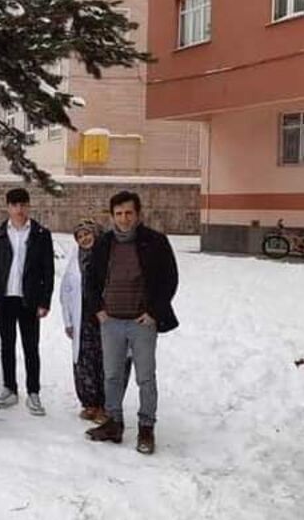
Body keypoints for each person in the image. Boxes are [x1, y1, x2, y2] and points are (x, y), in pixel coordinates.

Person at [86, 191, 179, 455]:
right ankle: (113, 422)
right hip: (111, 321)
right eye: (118, 214)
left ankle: (146, 427)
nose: (124, 219)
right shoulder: (104, 244)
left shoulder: (155, 242)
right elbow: (91, 281)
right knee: (112, 375)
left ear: (138, 214)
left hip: (142, 323)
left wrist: (154, 312)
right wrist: (98, 311)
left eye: (128, 213)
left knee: (145, 377)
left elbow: (169, 280)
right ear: (112, 216)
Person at [0, 188, 54, 417]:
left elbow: (48, 271)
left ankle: (33, 391)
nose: (19, 209)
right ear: (8, 207)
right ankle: (9, 388)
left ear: (29, 206)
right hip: (5, 298)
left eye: (23, 204)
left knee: (30, 346)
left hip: (29, 299)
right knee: (7, 345)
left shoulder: (41, 234)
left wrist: (44, 301)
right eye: (14, 205)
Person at [59, 219, 109, 424]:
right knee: (84, 363)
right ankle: (90, 403)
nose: (84, 239)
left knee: (105, 362)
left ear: (95, 233)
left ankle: (105, 406)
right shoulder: (75, 260)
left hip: (105, 318)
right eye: (79, 236)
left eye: (87, 234)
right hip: (83, 320)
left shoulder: (107, 255)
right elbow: (66, 291)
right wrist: (68, 321)